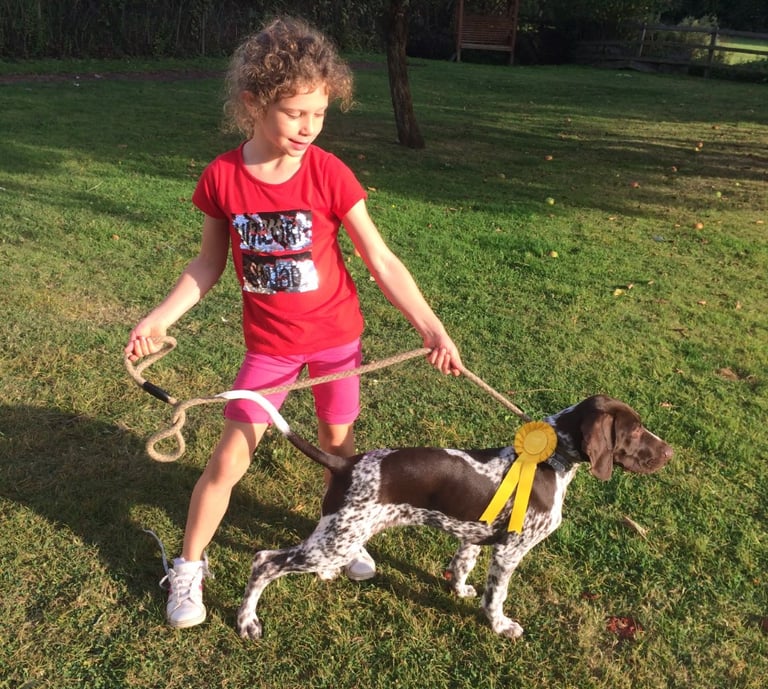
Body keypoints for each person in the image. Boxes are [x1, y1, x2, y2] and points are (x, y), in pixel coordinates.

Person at [125, 16, 462, 629]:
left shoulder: (329, 173)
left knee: (339, 452)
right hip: (270, 351)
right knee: (229, 459)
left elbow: (381, 259)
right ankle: (188, 566)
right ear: (253, 103)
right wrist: (158, 317)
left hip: (337, 343)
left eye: (319, 114)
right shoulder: (222, 178)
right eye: (294, 113)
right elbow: (207, 264)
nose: (308, 127)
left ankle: (341, 533)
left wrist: (430, 326)